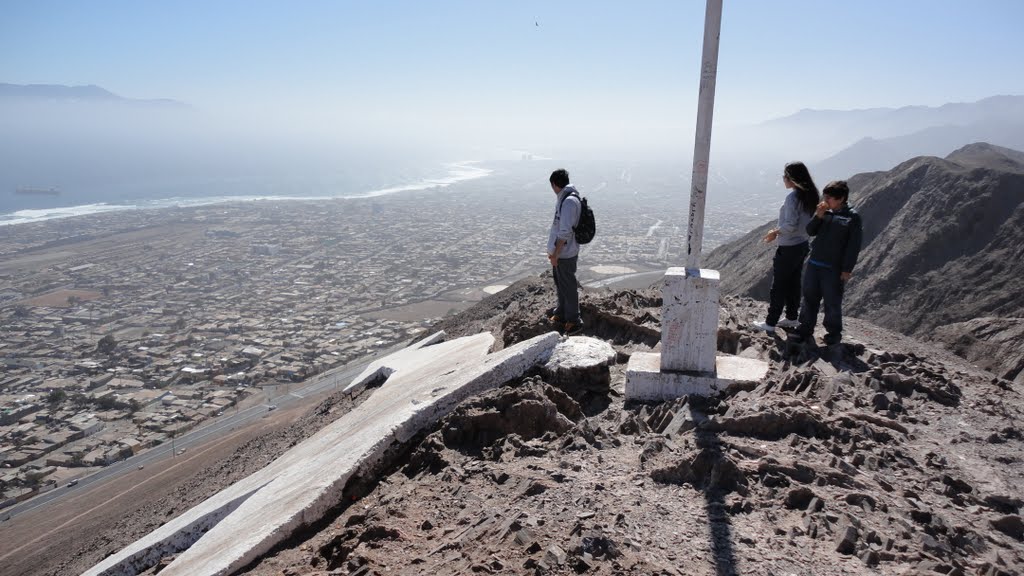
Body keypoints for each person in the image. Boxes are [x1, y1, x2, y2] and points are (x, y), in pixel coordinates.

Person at [791, 180, 863, 347]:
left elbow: (853, 246)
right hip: (815, 263)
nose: (825, 200)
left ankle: (833, 334)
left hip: (833, 268)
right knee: (809, 298)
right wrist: (818, 216)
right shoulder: (825, 212)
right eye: (825, 196)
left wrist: (847, 269)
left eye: (829, 197)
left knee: (832, 301)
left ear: (841, 198)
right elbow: (810, 231)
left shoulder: (852, 217)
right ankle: (805, 329)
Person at [754, 161, 819, 332]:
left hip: (789, 247)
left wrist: (774, 232)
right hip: (802, 245)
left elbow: (790, 225)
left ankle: (770, 323)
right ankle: (791, 317)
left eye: (785, 176)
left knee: (779, 286)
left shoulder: (793, 197)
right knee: (793, 283)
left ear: (792, 178)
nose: (783, 179)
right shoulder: (810, 194)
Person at [546, 168, 583, 335]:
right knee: (560, 284)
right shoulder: (566, 199)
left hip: (565, 253)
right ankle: (560, 313)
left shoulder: (568, 202)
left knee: (568, 286)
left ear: (554, 184)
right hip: (561, 252)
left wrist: (556, 254)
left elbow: (565, 232)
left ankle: (574, 321)